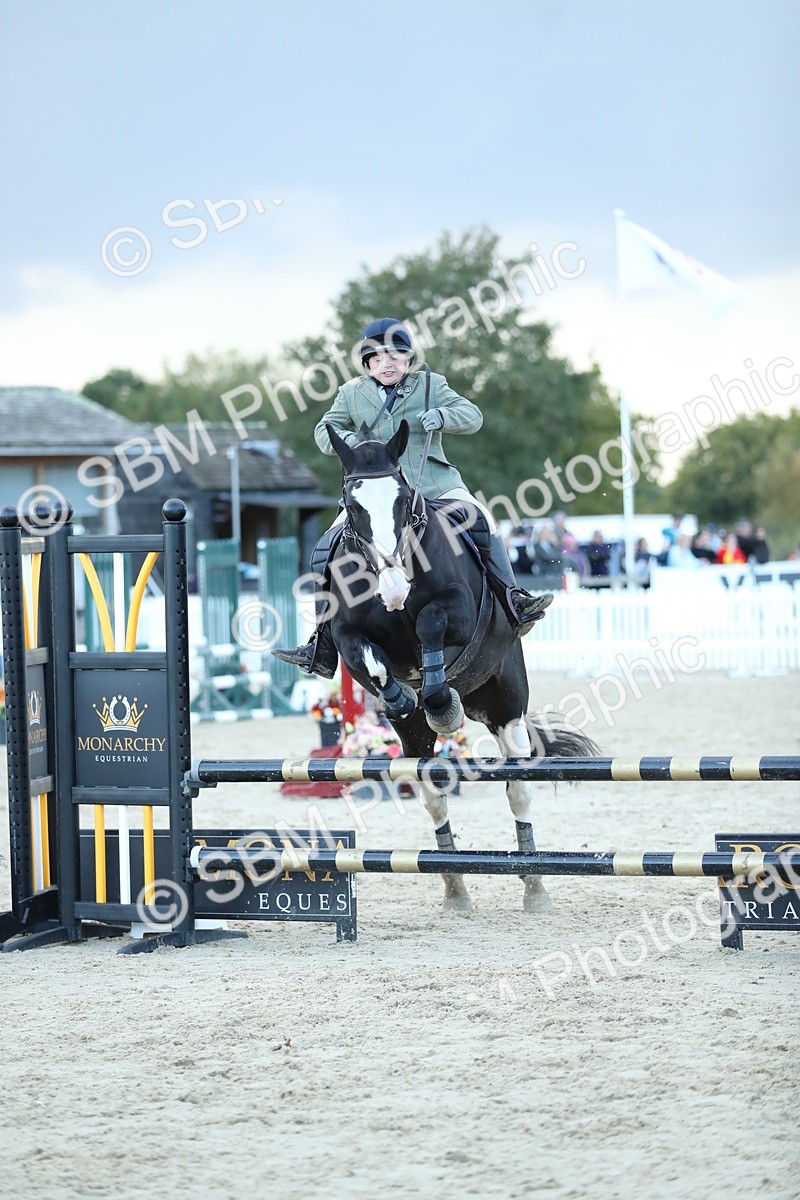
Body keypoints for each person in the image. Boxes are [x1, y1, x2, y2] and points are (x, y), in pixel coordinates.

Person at [274, 317, 552, 677]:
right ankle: (322, 643)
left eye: (395, 356)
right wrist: (354, 446)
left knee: (483, 518)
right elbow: (323, 431)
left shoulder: (430, 385)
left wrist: (442, 415)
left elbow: (473, 416)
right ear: (367, 363)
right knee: (326, 548)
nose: (387, 364)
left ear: (408, 359)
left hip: (434, 484)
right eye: (377, 358)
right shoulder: (350, 394)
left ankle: (514, 600)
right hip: (377, 495)